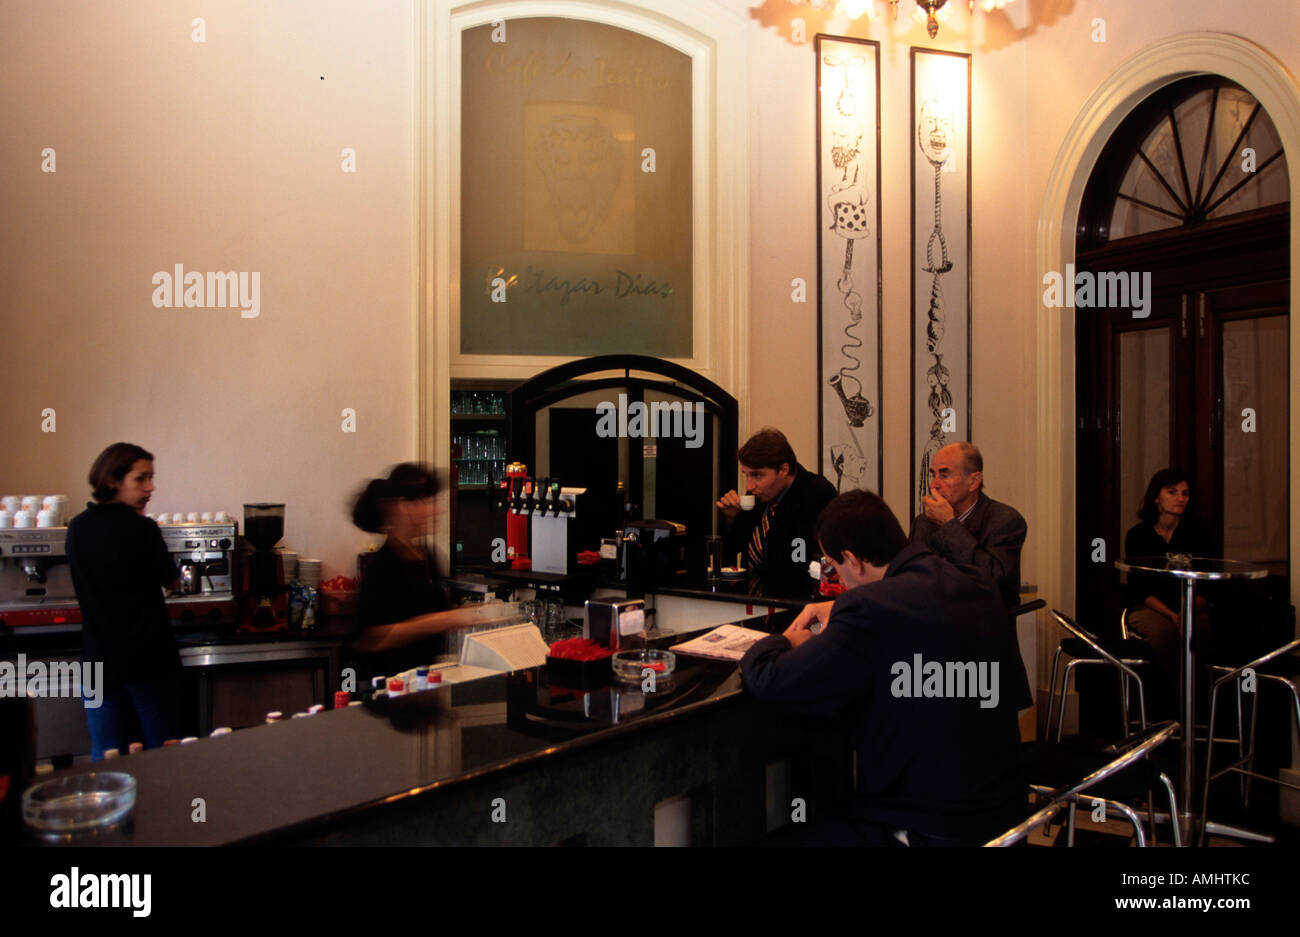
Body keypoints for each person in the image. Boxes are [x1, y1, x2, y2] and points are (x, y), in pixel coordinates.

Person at [741, 489, 1025, 846]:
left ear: (852, 560)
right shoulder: (976, 583)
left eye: (834, 566)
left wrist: (782, 641)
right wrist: (846, 608)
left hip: (928, 827)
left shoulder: (870, 608)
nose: (839, 580)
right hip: (1005, 819)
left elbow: (771, 680)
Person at [66, 443, 189, 760]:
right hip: (147, 658)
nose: (151, 487)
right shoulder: (142, 529)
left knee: (105, 755)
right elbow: (172, 581)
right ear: (112, 480)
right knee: (163, 756)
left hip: (96, 660)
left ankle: (110, 810)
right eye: (141, 479)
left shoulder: (77, 528)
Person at [351, 463, 513, 681]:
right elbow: (372, 637)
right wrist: (445, 619)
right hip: (392, 689)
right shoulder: (384, 563)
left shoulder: (426, 556)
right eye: (428, 501)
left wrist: (478, 614)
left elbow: (435, 613)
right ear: (404, 506)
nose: (438, 509)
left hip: (424, 682)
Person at [1122, 468, 1213, 718]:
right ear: (1156, 497)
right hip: (1151, 606)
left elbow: (1209, 584)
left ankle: (1201, 705)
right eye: (1172, 492)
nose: (1180, 498)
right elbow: (1139, 588)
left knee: (1200, 631)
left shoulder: (1199, 533)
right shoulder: (1138, 536)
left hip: (1193, 604)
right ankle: (1174, 705)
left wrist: (1186, 611)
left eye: (1185, 493)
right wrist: (1172, 614)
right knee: (1164, 634)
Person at [716, 427, 835, 598]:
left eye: (757, 475)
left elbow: (802, 561)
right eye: (746, 475)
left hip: (793, 604)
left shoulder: (816, 493)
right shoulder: (758, 495)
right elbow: (734, 549)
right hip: (753, 603)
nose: (749, 486)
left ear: (784, 469)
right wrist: (731, 518)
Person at [908, 442, 1026, 610]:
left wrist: (950, 525)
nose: (933, 484)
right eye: (933, 475)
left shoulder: (1005, 520)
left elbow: (993, 581)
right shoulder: (924, 523)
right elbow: (912, 580)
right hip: (933, 624)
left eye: (944, 475)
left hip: (983, 628)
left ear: (974, 481)